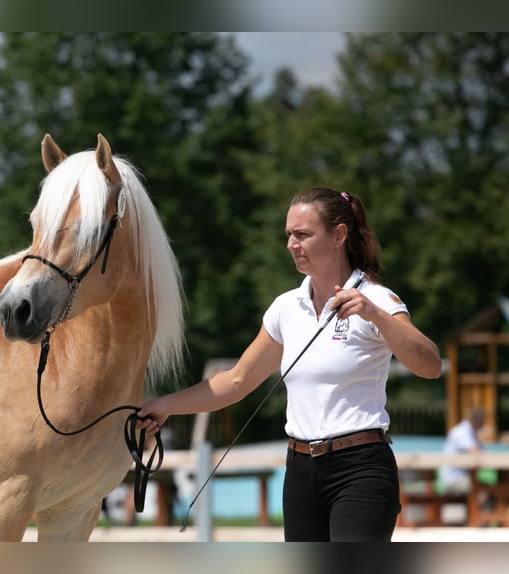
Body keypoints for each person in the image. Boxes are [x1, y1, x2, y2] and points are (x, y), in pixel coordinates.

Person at [136, 186, 442, 542]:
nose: (291, 244)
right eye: (289, 235)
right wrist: (165, 406)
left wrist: (375, 315)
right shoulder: (286, 307)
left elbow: (430, 365)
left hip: (361, 469)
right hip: (299, 471)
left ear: (339, 235)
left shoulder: (374, 298)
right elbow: (236, 380)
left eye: (303, 234)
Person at [440, 407, 486, 494]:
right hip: (454, 479)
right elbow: (477, 452)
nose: (484, 424)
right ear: (477, 420)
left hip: (462, 477)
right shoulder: (462, 432)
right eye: (483, 421)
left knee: (490, 487)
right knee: (488, 488)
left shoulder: (470, 432)